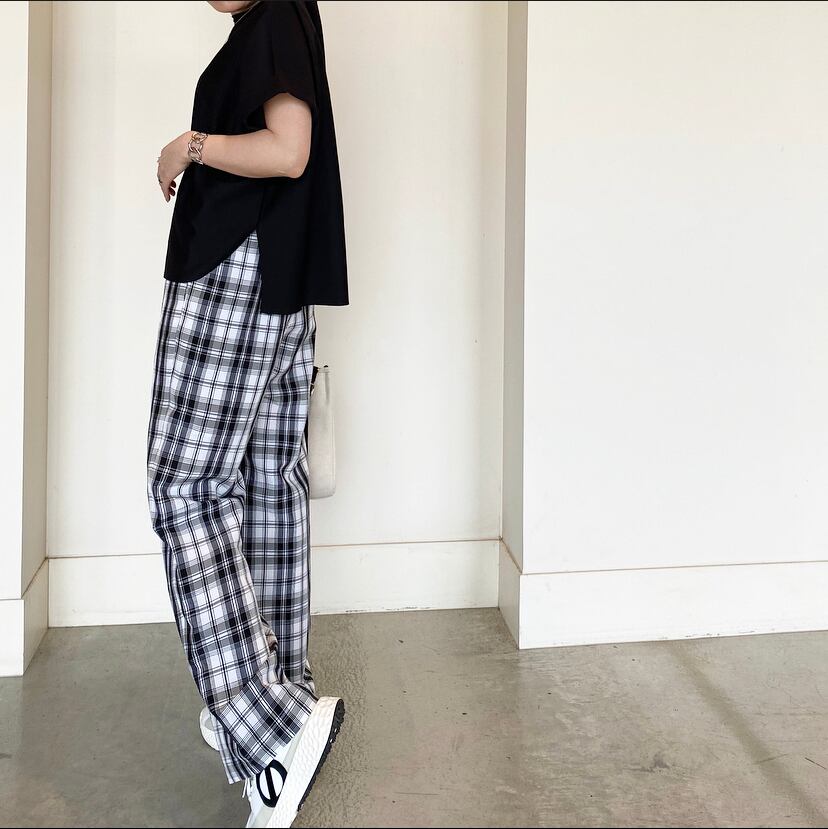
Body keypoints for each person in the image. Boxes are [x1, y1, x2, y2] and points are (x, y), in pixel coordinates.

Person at [146, 2, 348, 826]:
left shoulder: (272, 20)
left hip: (233, 276)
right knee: (267, 485)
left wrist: (190, 146)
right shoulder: (285, 17)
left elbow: (287, 150)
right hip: (278, 281)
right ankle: (284, 693)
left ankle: (272, 728)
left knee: (186, 487)